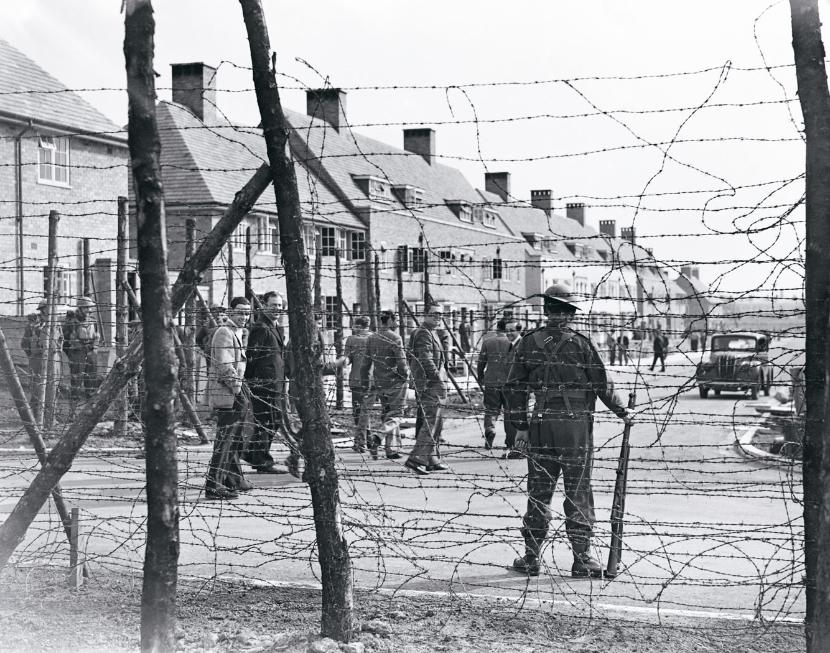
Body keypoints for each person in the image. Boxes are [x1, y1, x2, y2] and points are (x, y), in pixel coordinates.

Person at [505, 284, 634, 578]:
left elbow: (513, 388)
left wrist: (521, 426)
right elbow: (602, 383)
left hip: (540, 423)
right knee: (578, 490)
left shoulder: (527, 342)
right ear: (571, 314)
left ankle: (531, 556)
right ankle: (582, 557)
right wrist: (622, 411)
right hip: (574, 426)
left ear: (546, 310)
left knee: (539, 490)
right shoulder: (581, 343)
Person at [204, 296, 251, 500]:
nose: (244, 317)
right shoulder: (224, 332)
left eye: (247, 313)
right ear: (230, 312)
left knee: (233, 440)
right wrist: (237, 388)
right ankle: (213, 485)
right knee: (225, 441)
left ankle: (232, 479)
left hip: (235, 392)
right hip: (229, 393)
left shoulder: (237, 332)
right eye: (240, 312)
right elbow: (224, 364)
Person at [242, 291, 287, 474]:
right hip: (263, 384)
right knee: (267, 420)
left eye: (279, 305)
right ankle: (262, 461)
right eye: (273, 305)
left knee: (273, 420)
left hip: (275, 383)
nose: (277, 308)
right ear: (264, 305)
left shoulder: (275, 326)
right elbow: (252, 356)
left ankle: (252, 454)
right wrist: (252, 381)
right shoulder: (261, 327)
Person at [405, 301, 448, 475]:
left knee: (436, 421)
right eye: (434, 314)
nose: (438, 317)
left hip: (429, 383)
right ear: (425, 315)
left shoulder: (431, 332)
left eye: (440, 314)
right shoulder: (423, 333)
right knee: (431, 421)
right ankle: (416, 459)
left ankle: (432, 459)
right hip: (430, 384)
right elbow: (426, 358)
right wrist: (437, 379)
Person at [359, 310, 409, 460]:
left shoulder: (372, 338)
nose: (398, 323)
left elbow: (365, 364)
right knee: (397, 415)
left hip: (380, 382)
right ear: (390, 320)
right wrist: (406, 375)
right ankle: (378, 436)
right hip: (396, 382)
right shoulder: (395, 338)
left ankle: (391, 449)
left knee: (388, 415)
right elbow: (401, 363)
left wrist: (365, 383)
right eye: (396, 320)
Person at [477, 318, 517, 454]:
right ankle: (510, 442)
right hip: (509, 382)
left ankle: (490, 428)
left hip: (491, 381)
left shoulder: (488, 342)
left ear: (497, 328)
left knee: (491, 409)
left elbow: (481, 362)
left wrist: (480, 377)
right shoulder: (512, 343)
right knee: (509, 412)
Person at [62, 296, 99, 398]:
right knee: (77, 378)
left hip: (91, 352)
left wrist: (93, 348)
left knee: (91, 377)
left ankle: (90, 398)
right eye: (86, 307)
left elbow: (97, 336)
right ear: (80, 308)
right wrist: (72, 354)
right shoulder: (71, 322)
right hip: (77, 353)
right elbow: (65, 341)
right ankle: (75, 399)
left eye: (90, 307)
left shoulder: (93, 321)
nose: (89, 310)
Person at [345, 316, 372, 453]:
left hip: (357, 380)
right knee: (365, 411)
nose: (353, 328)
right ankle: (369, 439)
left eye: (355, 326)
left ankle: (361, 442)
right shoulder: (375, 338)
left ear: (359, 327)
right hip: (373, 380)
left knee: (359, 412)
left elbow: (347, 359)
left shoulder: (351, 340)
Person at [21, 300, 51, 414]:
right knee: (36, 387)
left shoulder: (54, 323)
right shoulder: (33, 324)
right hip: (37, 359)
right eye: (48, 308)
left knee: (51, 387)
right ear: (43, 309)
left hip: (51, 360)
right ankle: (34, 414)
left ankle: (49, 414)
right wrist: (33, 356)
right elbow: (24, 344)